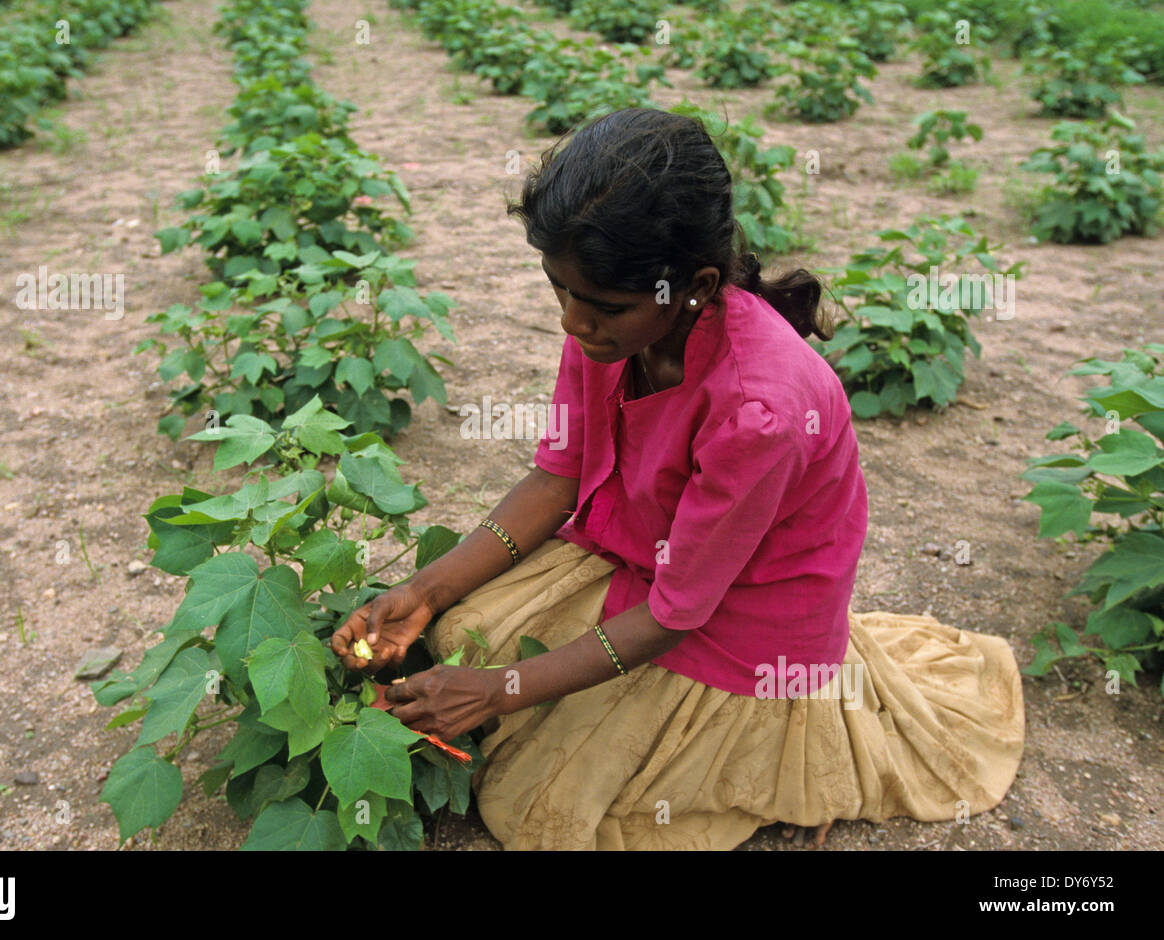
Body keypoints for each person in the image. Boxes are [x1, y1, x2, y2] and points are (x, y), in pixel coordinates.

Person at [331, 107, 1024, 851]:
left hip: (734, 628)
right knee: (462, 630)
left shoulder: (760, 410)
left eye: (598, 305)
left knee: (539, 809)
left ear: (692, 286)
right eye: (558, 290)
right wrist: (425, 590)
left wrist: (501, 691)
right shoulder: (610, 330)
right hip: (645, 560)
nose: (571, 321)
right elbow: (557, 481)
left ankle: (777, 760)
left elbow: (675, 613)